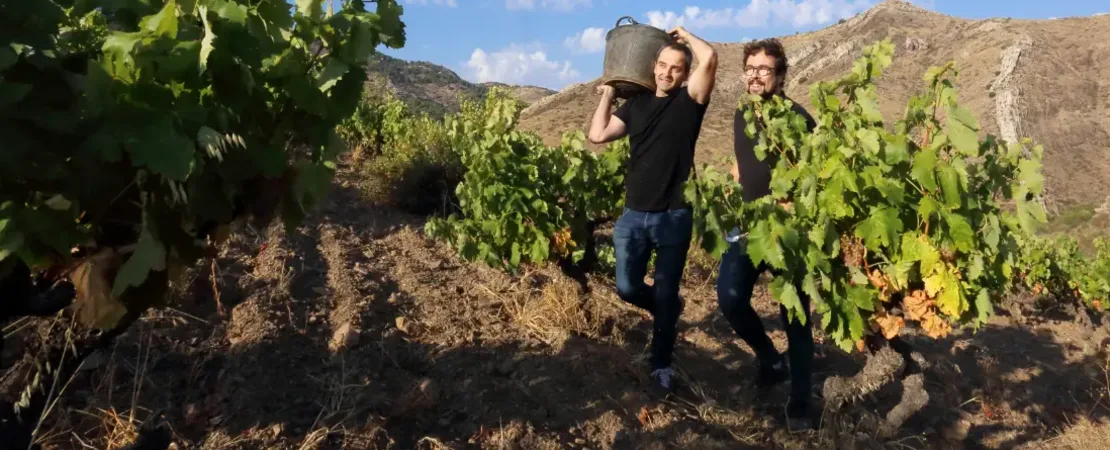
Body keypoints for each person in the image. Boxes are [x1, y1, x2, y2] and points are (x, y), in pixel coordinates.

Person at [587, 26, 717, 395]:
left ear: (685, 73)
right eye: (662, 65)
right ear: (653, 66)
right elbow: (597, 135)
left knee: (664, 291)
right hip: (633, 215)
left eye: (676, 68)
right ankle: (668, 308)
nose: (667, 73)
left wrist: (685, 35)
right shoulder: (636, 106)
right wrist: (608, 95)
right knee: (627, 287)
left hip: (673, 216)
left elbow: (709, 58)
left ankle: (661, 365)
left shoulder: (690, 102)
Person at [717, 37, 817, 428]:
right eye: (750, 68)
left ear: (781, 75)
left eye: (764, 69)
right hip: (745, 226)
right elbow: (742, 162)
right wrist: (731, 189)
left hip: (788, 232)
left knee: (796, 316)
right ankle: (771, 360)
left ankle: (800, 401)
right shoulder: (742, 113)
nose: (756, 76)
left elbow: (815, 177)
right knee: (730, 298)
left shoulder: (799, 119)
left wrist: (793, 207)